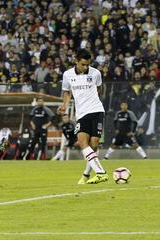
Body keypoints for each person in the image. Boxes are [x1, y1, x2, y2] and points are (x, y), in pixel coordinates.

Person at [58, 49, 109, 184]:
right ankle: (98, 173)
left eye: (87, 64)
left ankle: (88, 174)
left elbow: (99, 88)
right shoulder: (67, 75)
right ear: (76, 61)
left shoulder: (96, 73)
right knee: (82, 142)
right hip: (81, 113)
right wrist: (64, 105)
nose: (86, 67)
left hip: (96, 110)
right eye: (83, 64)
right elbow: (67, 92)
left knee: (94, 144)